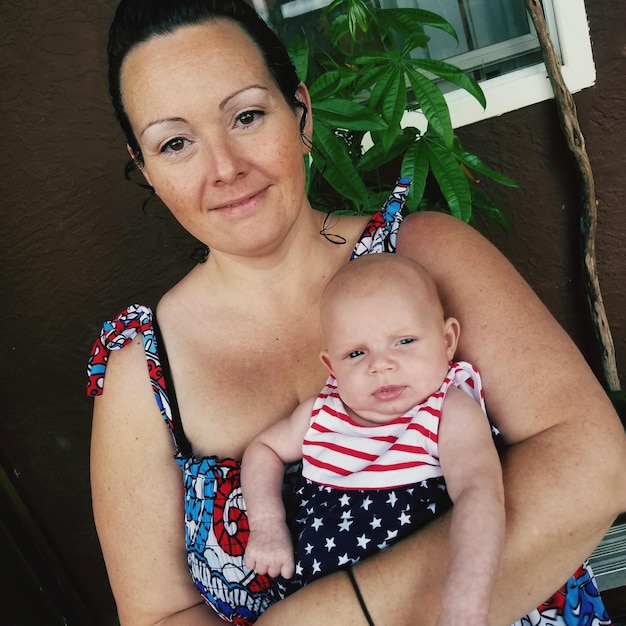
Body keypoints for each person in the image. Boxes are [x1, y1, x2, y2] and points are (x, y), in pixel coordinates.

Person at [86, 0, 626, 624]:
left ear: (302, 113)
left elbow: (593, 464)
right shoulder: (140, 372)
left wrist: (342, 615)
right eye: (175, 142)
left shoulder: (423, 256)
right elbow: (157, 615)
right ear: (145, 166)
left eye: (248, 115)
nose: (225, 168)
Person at [241, 253, 505, 625]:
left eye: (405, 341)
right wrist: (267, 523)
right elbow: (264, 449)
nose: (380, 365)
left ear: (447, 341)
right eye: (356, 352)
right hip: (325, 608)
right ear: (332, 366)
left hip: (422, 599)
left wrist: (466, 600)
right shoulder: (320, 413)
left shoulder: (445, 411)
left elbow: (480, 491)